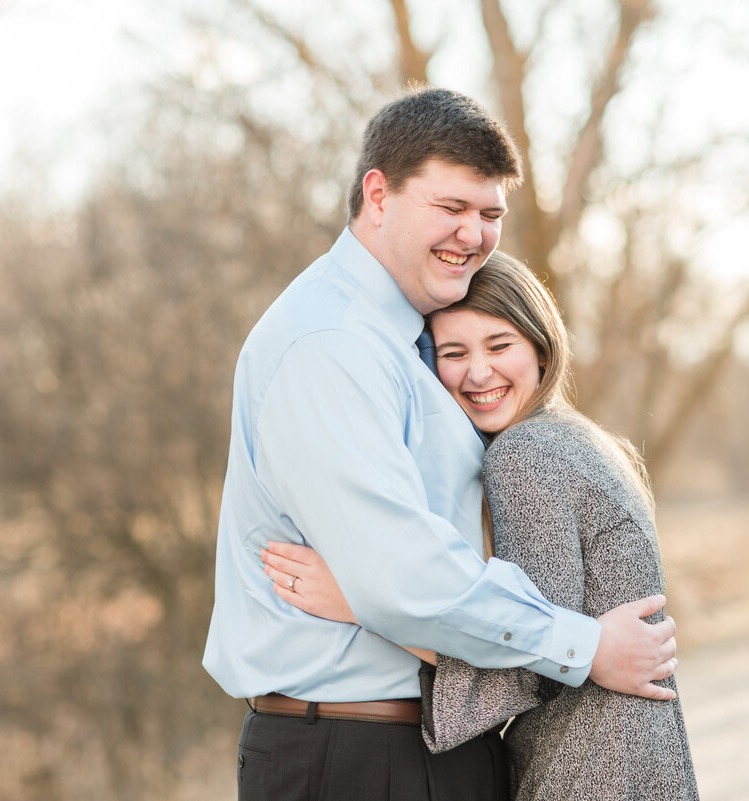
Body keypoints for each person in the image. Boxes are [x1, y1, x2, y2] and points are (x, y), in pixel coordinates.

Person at [202, 87, 677, 801]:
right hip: (355, 753)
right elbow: (406, 580)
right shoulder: (332, 344)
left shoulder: (411, 340)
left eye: (490, 214)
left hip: (428, 742)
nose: (474, 233)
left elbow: (441, 557)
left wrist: (369, 595)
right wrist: (584, 645)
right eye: (452, 207)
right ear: (379, 193)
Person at [264, 251, 699, 800]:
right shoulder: (579, 439)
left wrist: (359, 601)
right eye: (453, 352)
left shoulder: (524, 455)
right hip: (640, 755)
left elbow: (529, 661)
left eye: (499, 346)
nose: (477, 372)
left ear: (541, 349)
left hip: (591, 764)